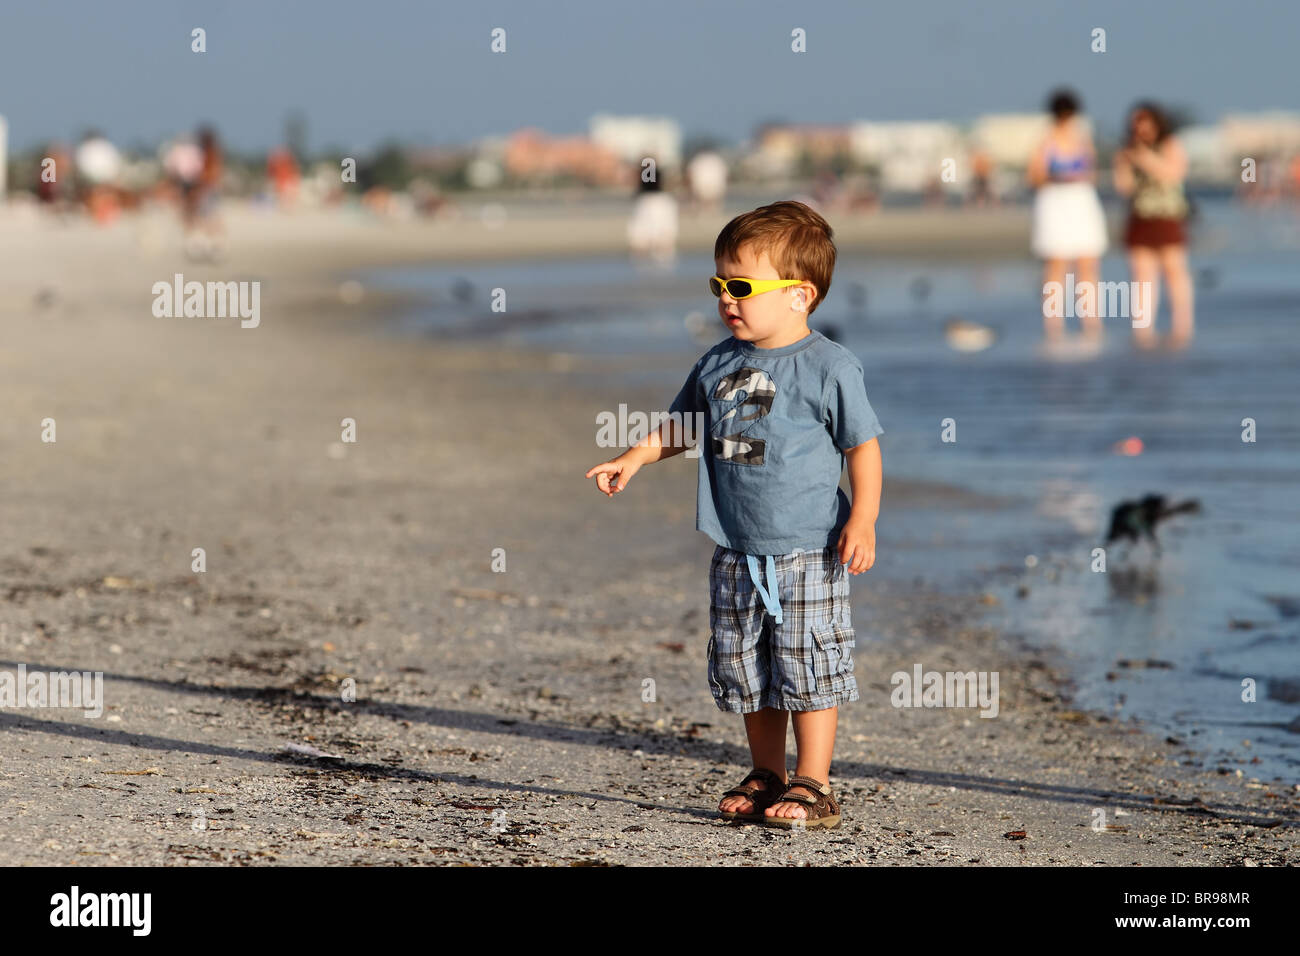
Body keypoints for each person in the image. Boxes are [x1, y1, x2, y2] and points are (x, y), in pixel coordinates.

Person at [585, 200, 884, 829]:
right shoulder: (718, 362)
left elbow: (864, 447)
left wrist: (863, 520)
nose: (727, 298)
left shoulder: (828, 367)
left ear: (800, 295)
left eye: (741, 286)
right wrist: (634, 458)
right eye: (719, 284)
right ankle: (767, 771)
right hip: (735, 546)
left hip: (808, 547)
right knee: (748, 667)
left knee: (807, 664)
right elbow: (683, 424)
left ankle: (814, 782)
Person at [1028, 89, 1108, 344]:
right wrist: (1058, 177)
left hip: (1080, 201)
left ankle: (1091, 322)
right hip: (1055, 202)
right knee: (1056, 265)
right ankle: (1054, 325)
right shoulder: (1046, 142)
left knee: (1087, 265)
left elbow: (1092, 173)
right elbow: (1035, 177)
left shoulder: (1082, 141)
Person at [1113, 101, 1194, 349]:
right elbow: (1124, 187)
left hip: (1168, 216)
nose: (1140, 127)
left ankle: (1183, 326)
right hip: (1140, 217)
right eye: (1136, 122)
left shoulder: (1170, 145)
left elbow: (1174, 173)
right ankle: (1143, 329)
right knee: (1141, 277)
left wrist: (1144, 158)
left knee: (1174, 271)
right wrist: (1126, 163)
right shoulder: (1126, 151)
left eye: (1144, 121)